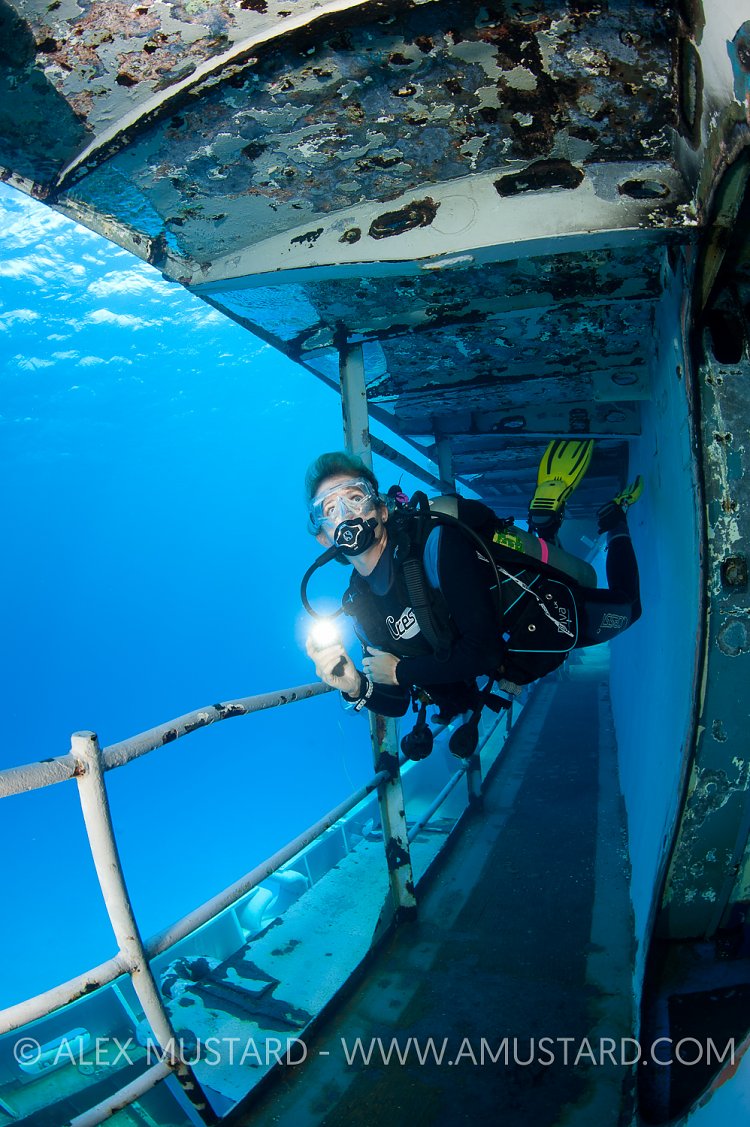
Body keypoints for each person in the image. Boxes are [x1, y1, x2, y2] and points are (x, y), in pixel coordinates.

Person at [303, 443, 642, 739]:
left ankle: (614, 523)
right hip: (502, 662)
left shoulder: (436, 544)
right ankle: (544, 523)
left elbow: (484, 652)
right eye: (330, 510)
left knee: (630, 608)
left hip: (539, 619)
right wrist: (354, 686)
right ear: (323, 537)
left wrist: (401, 671)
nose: (346, 515)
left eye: (355, 498)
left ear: (381, 509)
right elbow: (399, 700)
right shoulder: (359, 606)